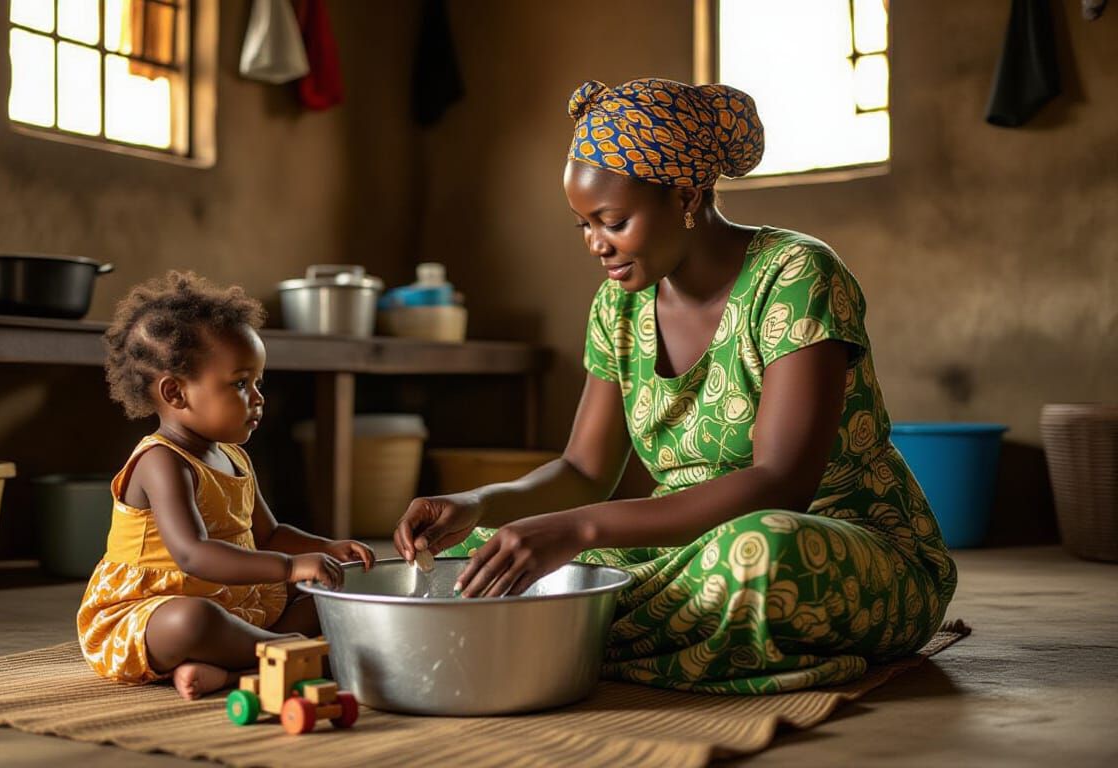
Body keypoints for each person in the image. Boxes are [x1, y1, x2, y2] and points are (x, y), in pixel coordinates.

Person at [394, 78, 956, 694]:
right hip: (681, 550)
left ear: (687, 195)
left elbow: (781, 484)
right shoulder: (618, 307)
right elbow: (583, 469)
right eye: (581, 225)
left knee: (757, 553)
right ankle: (602, 635)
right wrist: (479, 503)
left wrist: (578, 530)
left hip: (830, 543)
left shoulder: (796, 276)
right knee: (482, 551)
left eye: (612, 222)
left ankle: (563, 638)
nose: (595, 245)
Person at [79, 271, 375, 700]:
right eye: (240, 384)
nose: (258, 398)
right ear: (175, 393)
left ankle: (238, 669)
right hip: (154, 611)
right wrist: (290, 568)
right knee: (194, 622)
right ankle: (290, 655)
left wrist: (326, 549)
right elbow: (192, 554)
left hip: (233, 598)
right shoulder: (161, 461)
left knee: (330, 589)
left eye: (258, 383)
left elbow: (269, 535)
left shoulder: (233, 455)